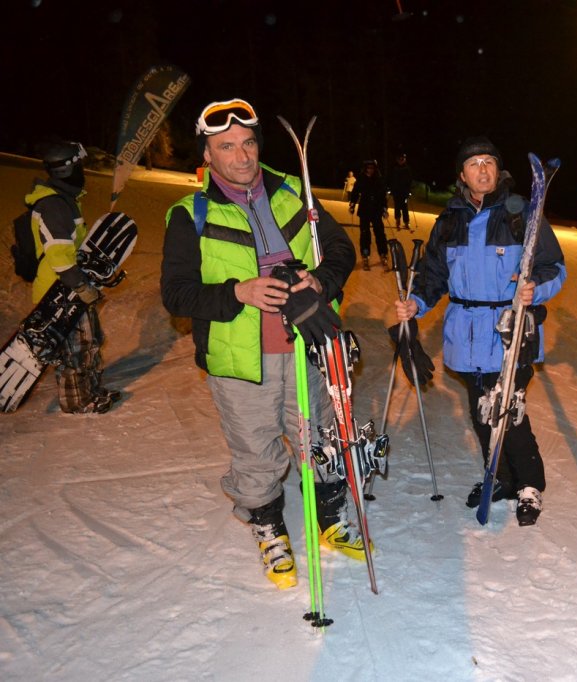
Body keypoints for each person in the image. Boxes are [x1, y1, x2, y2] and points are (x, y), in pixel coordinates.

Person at [160, 98, 364, 590]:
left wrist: (322, 280)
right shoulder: (191, 214)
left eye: (248, 143)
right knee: (255, 449)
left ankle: (330, 519)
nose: (242, 156)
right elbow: (176, 293)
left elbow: (340, 249)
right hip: (239, 359)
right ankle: (270, 528)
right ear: (207, 156)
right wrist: (239, 291)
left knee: (320, 436)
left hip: (305, 344)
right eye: (226, 146)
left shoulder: (293, 191)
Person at [394, 137, 566, 526]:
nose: (483, 169)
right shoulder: (449, 220)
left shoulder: (520, 215)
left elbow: (555, 267)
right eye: (474, 164)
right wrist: (416, 304)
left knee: (510, 412)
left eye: (489, 162)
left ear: (498, 169)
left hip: (509, 331)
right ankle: (502, 477)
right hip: (465, 334)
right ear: (462, 175)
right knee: (481, 412)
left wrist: (534, 288)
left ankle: (530, 485)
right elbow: (434, 275)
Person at [25, 140, 120, 414]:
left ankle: (90, 391)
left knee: (90, 342)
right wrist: (79, 286)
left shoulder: (64, 200)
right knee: (75, 348)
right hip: (59, 292)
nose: (83, 171)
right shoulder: (54, 205)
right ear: (70, 169)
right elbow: (59, 257)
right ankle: (77, 401)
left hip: (69, 287)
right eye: (80, 166)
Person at [348, 159, 389, 271]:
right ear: (365, 168)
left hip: (376, 210)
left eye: (372, 168)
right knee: (365, 233)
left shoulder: (378, 180)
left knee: (380, 233)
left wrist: (385, 208)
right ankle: (365, 254)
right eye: (368, 168)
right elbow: (355, 192)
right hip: (365, 210)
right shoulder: (361, 179)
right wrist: (352, 204)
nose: (370, 170)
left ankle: (383, 253)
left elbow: (382, 196)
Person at [387, 152, 413, 229]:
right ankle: (398, 220)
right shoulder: (394, 168)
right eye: (400, 159)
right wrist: (390, 188)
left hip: (404, 192)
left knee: (404, 206)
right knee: (397, 206)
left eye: (403, 159)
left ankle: (406, 222)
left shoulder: (407, 169)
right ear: (397, 160)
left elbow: (410, 180)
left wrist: (409, 190)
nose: (401, 160)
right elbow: (390, 179)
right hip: (396, 192)